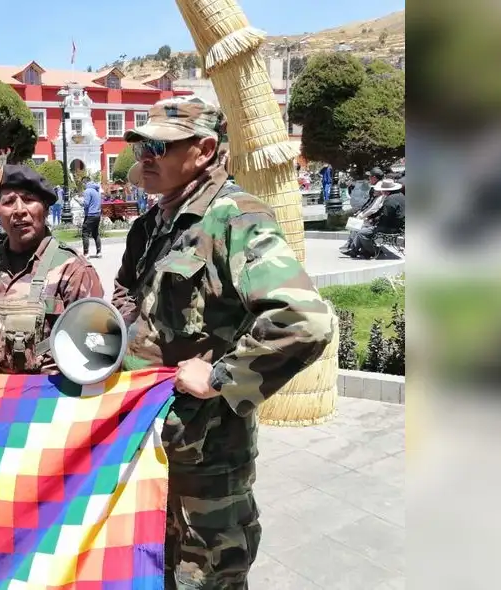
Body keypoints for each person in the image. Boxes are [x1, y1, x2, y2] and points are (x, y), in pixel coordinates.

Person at [112, 97, 333, 589]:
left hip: (208, 455)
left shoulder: (235, 217)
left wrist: (220, 378)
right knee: (157, 567)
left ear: (205, 149)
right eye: (141, 145)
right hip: (153, 438)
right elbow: (128, 291)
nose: (144, 156)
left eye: (160, 146)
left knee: (207, 576)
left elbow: (303, 318)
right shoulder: (151, 226)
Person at [0, 165, 103, 375]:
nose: (19, 210)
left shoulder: (73, 270)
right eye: (8, 202)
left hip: (48, 400)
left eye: (28, 199)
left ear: (45, 208)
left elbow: (96, 350)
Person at [352, 178, 405, 258]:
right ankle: (356, 250)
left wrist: (375, 224)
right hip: (398, 226)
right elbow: (381, 212)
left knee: (362, 233)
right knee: (362, 228)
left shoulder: (390, 200)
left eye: (382, 190)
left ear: (386, 191)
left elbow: (385, 217)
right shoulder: (401, 196)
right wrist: (372, 218)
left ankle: (373, 251)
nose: (381, 192)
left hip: (391, 228)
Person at [81, 179, 103, 258]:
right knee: (95, 233)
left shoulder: (88, 191)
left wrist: (80, 202)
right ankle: (99, 251)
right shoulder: (97, 190)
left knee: (85, 233)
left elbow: (86, 204)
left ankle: (86, 253)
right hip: (97, 214)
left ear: (85, 182)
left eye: (83, 183)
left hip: (90, 214)